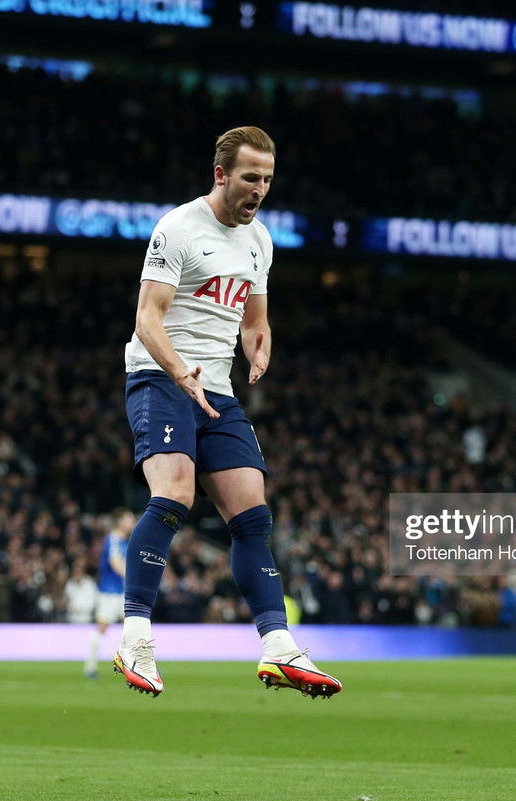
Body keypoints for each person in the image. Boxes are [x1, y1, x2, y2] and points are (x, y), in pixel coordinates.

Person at [114, 125, 341, 699]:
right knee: (175, 495)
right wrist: (178, 371)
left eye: (267, 180)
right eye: (249, 178)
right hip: (159, 376)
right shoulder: (179, 228)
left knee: (253, 514)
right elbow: (148, 317)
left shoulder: (260, 240)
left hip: (217, 389)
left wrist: (258, 343)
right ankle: (136, 634)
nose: (259, 190)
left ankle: (278, 648)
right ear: (221, 175)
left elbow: (255, 319)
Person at [86, 508, 134, 679]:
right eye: (129, 519)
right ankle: (90, 666)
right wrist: (133, 579)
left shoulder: (122, 541)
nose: (132, 522)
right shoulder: (113, 539)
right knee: (103, 628)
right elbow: (115, 563)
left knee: (133, 627)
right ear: (120, 521)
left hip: (120, 591)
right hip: (109, 592)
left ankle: (137, 666)